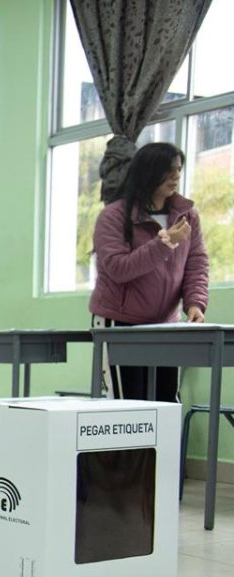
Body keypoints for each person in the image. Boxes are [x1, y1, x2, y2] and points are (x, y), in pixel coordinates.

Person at [89, 141, 208, 402]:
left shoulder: (187, 216)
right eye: (169, 170)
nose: (176, 176)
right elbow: (119, 268)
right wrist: (165, 243)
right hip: (119, 324)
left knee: (165, 403)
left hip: (165, 325)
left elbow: (196, 263)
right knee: (125, 404)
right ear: (148, 172)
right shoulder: (113, 217)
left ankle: (163, 447)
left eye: (179, 169)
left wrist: (195, 304)